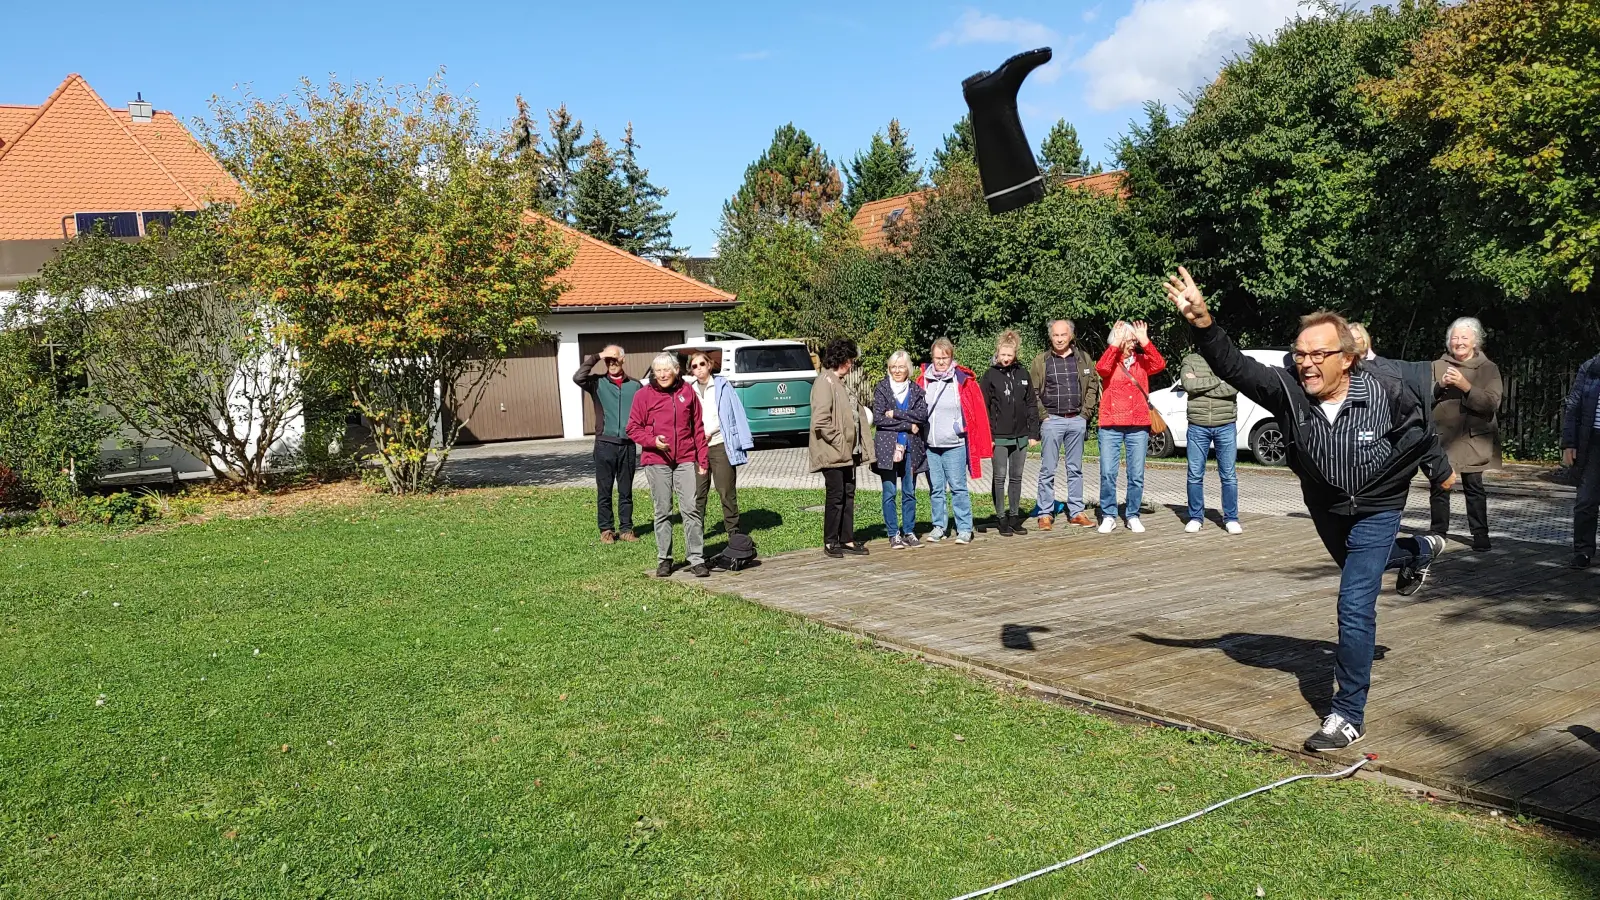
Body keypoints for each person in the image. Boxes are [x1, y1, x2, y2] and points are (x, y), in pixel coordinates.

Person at [1166, 266, 1455, 752]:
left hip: (1379, 506)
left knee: (1354, 603)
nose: (1307, 363)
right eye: (1300, 354)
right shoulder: (1288, 392)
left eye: (1319, 354)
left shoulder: (1385, 391)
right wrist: (1203, 323)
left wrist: (1441, 471)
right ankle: (1419, 549)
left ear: (1348, 358)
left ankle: (1347, 714)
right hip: (1326, 505)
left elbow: (1418, 433)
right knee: (1356, 568)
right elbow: (1233, 365)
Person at [626, 353, 709, 578]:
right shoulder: (643, 395)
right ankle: (664, 559)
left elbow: (698, 428)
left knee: (691, 509)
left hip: (685, 458)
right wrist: (653, 441)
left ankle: (696, 558)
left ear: (676, 371)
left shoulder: (687, 392)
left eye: (666, 370)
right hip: (657, 460)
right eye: (658, 371)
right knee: (662, 509)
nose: (662, 375)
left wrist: (702, 459)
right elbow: (633, 428)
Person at [1429, 318, 1503, 551]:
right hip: (1443, 437)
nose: (1459, 342)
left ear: (1475, 341)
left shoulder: (1489, 368)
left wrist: (1465, 386)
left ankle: (1480, 533)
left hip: (1473, 438)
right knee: (1440, 485)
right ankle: (1438, 533)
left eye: (1464, 337)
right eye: (1455, 338)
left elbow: (1491, 403)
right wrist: (1439, 385)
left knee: (1474, 486)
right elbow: (1424, 398)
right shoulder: (1436, 365)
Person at [917, 338, 993, 544]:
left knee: (958, 487)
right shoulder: (923, 380)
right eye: (937, 358)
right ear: (931, 358)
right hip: (931, 445)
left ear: (951, 357)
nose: (941, 362)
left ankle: (964, 528)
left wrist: (966, 427)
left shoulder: (961, 380)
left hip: (954, 444)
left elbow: (975, 410)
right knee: (936, 489)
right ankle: (938, 526)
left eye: (945, 357)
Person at [1095, 320, 1166, 533]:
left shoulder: (1142, 361)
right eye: (1128, 337)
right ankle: (1108, 514)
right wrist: (1115, 344)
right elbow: (1102, 369)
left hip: (1138, 424)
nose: (1131, 341)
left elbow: (1159, 364)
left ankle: (1132, 514)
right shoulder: (1111, 359)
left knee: (1136, 474)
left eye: (1133, 338)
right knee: (1108, 472)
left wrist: (1145, 340)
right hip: (1111, 424)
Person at [1030, 319, 1100, 529]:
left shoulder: (1083, 359)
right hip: (1052, 421)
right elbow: (1032, 392)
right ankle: (1044, 513)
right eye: (1055, 335)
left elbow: (1093, 386)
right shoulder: (1041, 361)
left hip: (1076, 420)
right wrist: (1043, 416)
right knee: (1048, 469)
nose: (1059, 339)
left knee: (1075, 469)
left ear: (1071, 336)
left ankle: (1077, 511)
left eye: (1063, 335)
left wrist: (1085, 415)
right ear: (1050, 337)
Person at [809, 338, 874, 558]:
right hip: (834, 452)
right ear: (842, 359)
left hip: (848, 453)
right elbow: (821, 420)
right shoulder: (824, 382)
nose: (853, 364)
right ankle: (830, 541)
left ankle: (846, 538)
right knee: (835, 496)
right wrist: (839, 441)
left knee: (848, 494)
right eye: (850, 360)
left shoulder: (841, 382)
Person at [573, 344, 641, 544]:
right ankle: (606, 529)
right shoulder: (596, 383)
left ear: (623, 359)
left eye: (615, 358)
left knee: (626, 490)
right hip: (604, 444)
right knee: (604, 490)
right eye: (608, 360)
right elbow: (578, 377)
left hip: (627, 445)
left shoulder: (635, 386)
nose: (612, 363)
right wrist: (599, 355)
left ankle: (626, 528)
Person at [688, 351, 755, 539]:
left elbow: (733, 413)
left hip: (719, 445)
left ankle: (733, 532)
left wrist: (714, 433)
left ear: (709, 365)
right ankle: (696, 533)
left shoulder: (723, 386)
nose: (699, 368)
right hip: (698, 448)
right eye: (694, 366)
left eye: (702, 364)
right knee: (698, 493)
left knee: (725, 491)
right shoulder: (689, 390)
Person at [981, 330, 1041, 536]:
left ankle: (1014, 517)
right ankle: (1001, 517)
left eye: (1009, 355)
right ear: (997, 354)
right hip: (998, 436)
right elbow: (984, 408)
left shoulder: (1023, 374)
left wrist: (1034, 432)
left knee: (1016, 477)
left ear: (1015, 354)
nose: (1006, 359)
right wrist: (987, 437)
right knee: (999, 477)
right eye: (1002, 355)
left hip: (1021, 436)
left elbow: (1031, 403)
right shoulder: (990, 375)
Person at [871, 350, 930, 549]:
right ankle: (893, 533)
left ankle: (909, 531)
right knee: (889, 492)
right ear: (889, 368)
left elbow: (922, 416)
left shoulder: (916, 390)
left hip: (911, 448)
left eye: (901, 367)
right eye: (894, 367)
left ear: (908, 369)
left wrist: (895, 413)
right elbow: (879, 419)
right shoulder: (882, 389)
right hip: (887, 448)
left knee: (909, 491)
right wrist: (907, 424)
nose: (897, 370)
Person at [1180, 349, 1242, 534]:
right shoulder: (1190, 359)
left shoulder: (1228, 359)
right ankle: (1195, 517)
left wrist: (1201, 384)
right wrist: (1218, 380)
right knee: (1195, 474)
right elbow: (1189, 385)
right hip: (1197, 425)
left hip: (1225, 424)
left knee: (1229, 475)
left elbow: (1234, 386)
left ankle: (1231, 518)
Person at [1563, 351, 1600, 569]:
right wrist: (1569, 443)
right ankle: (1583, 551)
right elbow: (1573, 406)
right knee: (1586, 499)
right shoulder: (1591, 367)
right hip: (1592, 441)